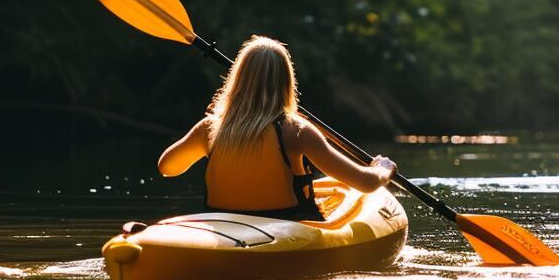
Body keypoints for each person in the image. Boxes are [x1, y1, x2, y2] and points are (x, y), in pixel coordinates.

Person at [157, 36, 396, 220]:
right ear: (286, 82)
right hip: (286, 230)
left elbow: (167, 167)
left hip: (225, 228)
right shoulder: (297, 131)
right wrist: (382, 169)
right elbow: (365, 183)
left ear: (237, 79)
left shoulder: (210, 128)